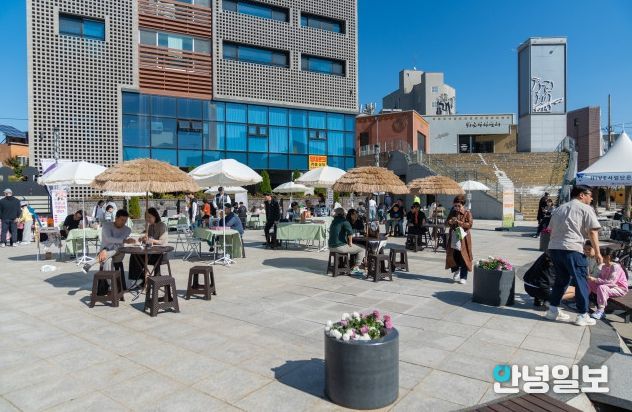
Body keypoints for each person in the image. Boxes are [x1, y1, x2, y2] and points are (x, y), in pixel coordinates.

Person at [546, 185, 602, 327]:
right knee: (581, 281)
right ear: (582, 195)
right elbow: (593, 232)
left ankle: (553, 310)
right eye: (590, 195)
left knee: (561, 280)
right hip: (573, 249)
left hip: (554, 248)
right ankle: (582, 315)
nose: (591, 198)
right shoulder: (586, 208)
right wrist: (598, 252)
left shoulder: (559, 209)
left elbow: (550, 229)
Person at [83, 210, 136, 291]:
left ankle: (91, 263)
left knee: (117, 248)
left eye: (125, 220)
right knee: (106, 260)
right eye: (122, 220)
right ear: (116, 218)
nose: (123, 222)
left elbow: (117, 243)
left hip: (118, 253)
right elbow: (109, 239)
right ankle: (111, 285)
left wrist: (105, 250)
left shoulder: (127, 229)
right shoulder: (106, 226)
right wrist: (106, 250)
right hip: (105, 252)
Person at [128, 207, 168, 286]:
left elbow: (163, 242)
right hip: (151, 252)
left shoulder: (162, 225)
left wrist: (152, 240)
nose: (147, 219)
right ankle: (138, 278)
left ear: (155, 216)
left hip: (160, 254)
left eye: (149, 217)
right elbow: (147, 239)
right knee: (135, 255)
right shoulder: (150, 226)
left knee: (138, 257)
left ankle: (141, 279)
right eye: (146, 217)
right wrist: (143, 238)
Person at [588, 247, 628, 320]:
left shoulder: (615, 267)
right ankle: (584, 301)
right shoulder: (604, 266)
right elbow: (601, 279)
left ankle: (601, 311)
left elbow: (611, 282)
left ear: (608, 257)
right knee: (590, 283)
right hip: (608, 287)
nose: (598, 258)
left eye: (600, 256)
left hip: (619, 288)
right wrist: (592, 278)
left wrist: (595, 279)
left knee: (602, 287)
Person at [445, 195, 473, 284]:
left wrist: (459, 222)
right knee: (453, 255)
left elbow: (470, 225)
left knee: (463, 257)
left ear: (463, 205)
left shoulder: (467, 212)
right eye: (455, 205)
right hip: (454, 236)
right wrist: (450, 222)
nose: (456, 207)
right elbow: (446, 223)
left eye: (458, 206)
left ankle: (463, 277)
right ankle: (456, 270)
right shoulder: (452, 212)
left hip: (463, 238)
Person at [329, 207, 365, 274]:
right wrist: (350, 243)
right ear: (343, 214)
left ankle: (344, 264)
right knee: (362, 248)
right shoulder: (344, 221)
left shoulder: (333, 221)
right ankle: (356, 267)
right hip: (339, 247)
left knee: (353, 247)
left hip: (331, 247)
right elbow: (350, 233)